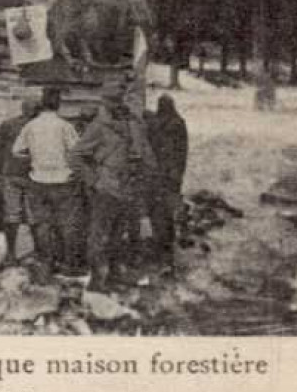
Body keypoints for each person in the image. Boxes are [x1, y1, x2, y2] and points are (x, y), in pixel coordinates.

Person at [71, 83, 157, 292]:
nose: (117, 105)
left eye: (119, 101)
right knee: (99, 235)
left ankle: (115, 275)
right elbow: (76, 155)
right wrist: (93, 180)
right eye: (113, 102)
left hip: (129, 187)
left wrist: (146, 173)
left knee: (119, 233)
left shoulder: (133, 124)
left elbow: (144, 152)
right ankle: (98, 279)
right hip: (107, 187)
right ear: (106, 103)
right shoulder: (99, 126)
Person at [12, 87, 83, 282]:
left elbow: (16, 151)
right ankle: (69, 266)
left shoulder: (31, 126)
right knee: (67, 224)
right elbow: (77, 151)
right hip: (62, 180)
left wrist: (32, 157)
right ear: (58, 104)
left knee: (42, 224)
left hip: (38, 180)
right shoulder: (65, 126)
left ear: (42, 104)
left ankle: (46, 263)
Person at [0, 96, 41, 272]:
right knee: (34, 216)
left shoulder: (8, 125)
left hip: (11, 174)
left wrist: (1, 171)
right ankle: (37, 253)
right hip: (33, 177)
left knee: (12, 215)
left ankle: (11, 254)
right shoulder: (41, 128)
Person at [145, 94, 189, 270]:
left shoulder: (157, 124)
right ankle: (165, 252)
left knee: (156, 216)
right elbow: (181, 153)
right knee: (165, 217)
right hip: (169, 178)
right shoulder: (178, 123)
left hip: (159, 178)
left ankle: (159, 252)